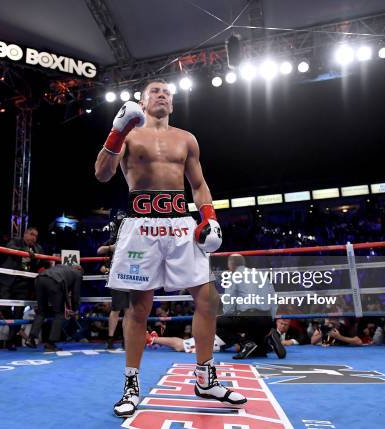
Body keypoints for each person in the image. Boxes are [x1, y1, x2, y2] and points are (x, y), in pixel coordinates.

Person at [95, 79, 246, 418]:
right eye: (155, 92)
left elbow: (199, 184)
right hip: (140, 224)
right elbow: (102, 174)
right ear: (142, 100)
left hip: (180, 224)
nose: (162, 95)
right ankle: (131, 385)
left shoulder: (186, 139)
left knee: (208, 298)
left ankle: (205, 377)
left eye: (167, 93)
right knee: (139, 308)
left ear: (173, 103)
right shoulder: (130, 134)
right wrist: (116, 132)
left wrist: (208, 216)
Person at [0, 227, 44, 350]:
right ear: (25, 234)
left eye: (36, 236)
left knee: (19, 312)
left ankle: (11, 341)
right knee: (4, 307)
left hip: (24, 283)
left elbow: (40, 262)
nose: (33, 238)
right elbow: (10, 249)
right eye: (31, 234)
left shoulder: (38, 248)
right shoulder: (15, 241)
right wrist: (26, 252)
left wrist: (34, 257)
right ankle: (12, 329)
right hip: (8, 279)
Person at [26, 264, 83, 352]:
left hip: (39, 278)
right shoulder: (77, 273)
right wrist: (75, 309)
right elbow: (76, 294)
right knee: (59, 314)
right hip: (54, 282)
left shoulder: (60, 266)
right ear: (79, 270)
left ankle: (30, 339)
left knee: (41, 312)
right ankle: (50, 343)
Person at [98, 211, 130, 350]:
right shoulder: (113, 239)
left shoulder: (132, 238)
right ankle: (110, 339)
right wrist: (112, 248)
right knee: (116, 309)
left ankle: (126, 339)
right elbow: (99, 250)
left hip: (131, 276)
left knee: (129, 310)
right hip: (117, 276)